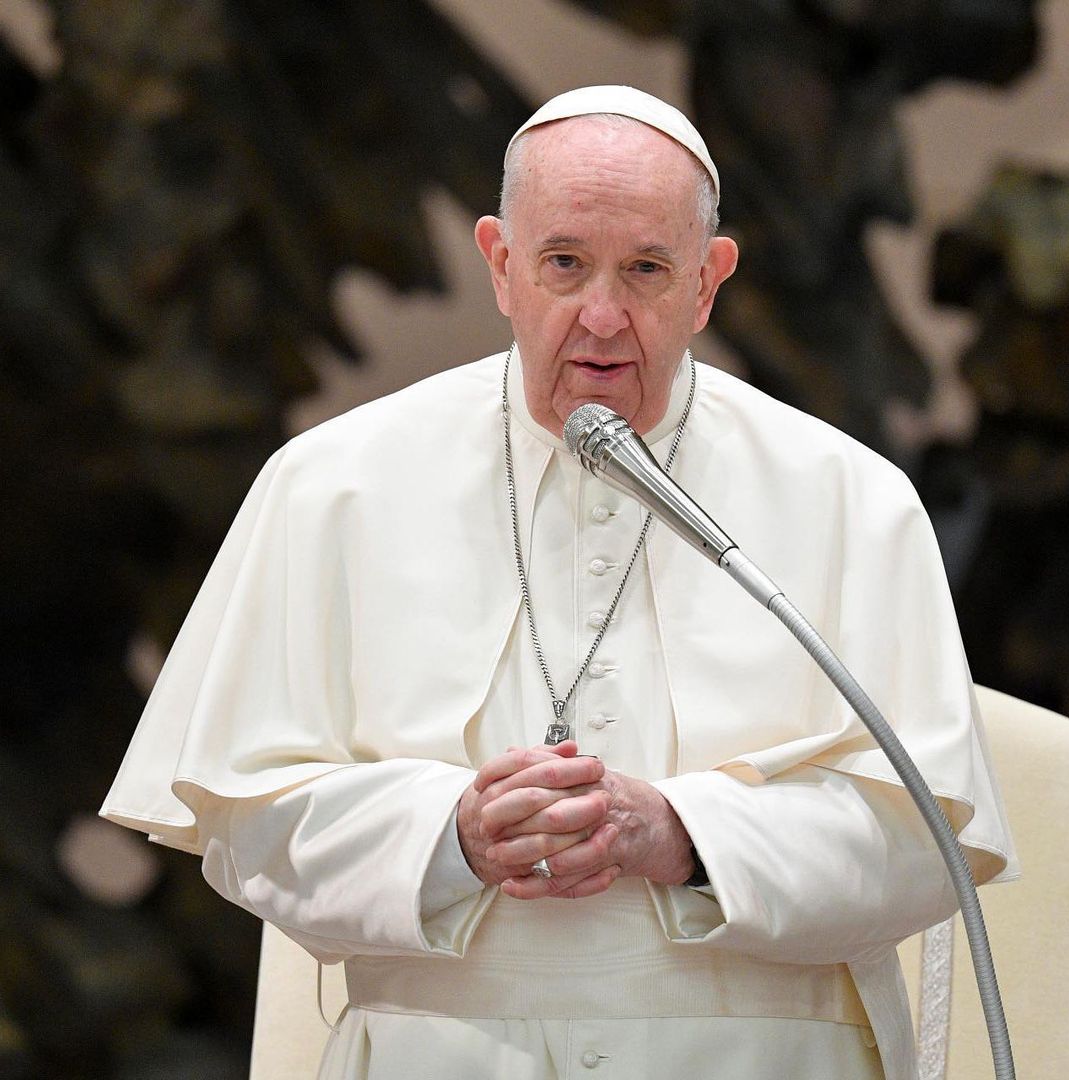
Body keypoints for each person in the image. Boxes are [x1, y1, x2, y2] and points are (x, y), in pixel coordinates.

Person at [102, 86, 1016, 1080]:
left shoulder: (846, 497)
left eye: (648, 270)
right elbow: (245, 821)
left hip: (764, 1052)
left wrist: (682, 835)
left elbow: (930, 840)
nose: (603, 316)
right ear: (501, 265)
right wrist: (448, 836)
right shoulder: (334, 483)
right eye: (565, 263)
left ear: (708, 283)